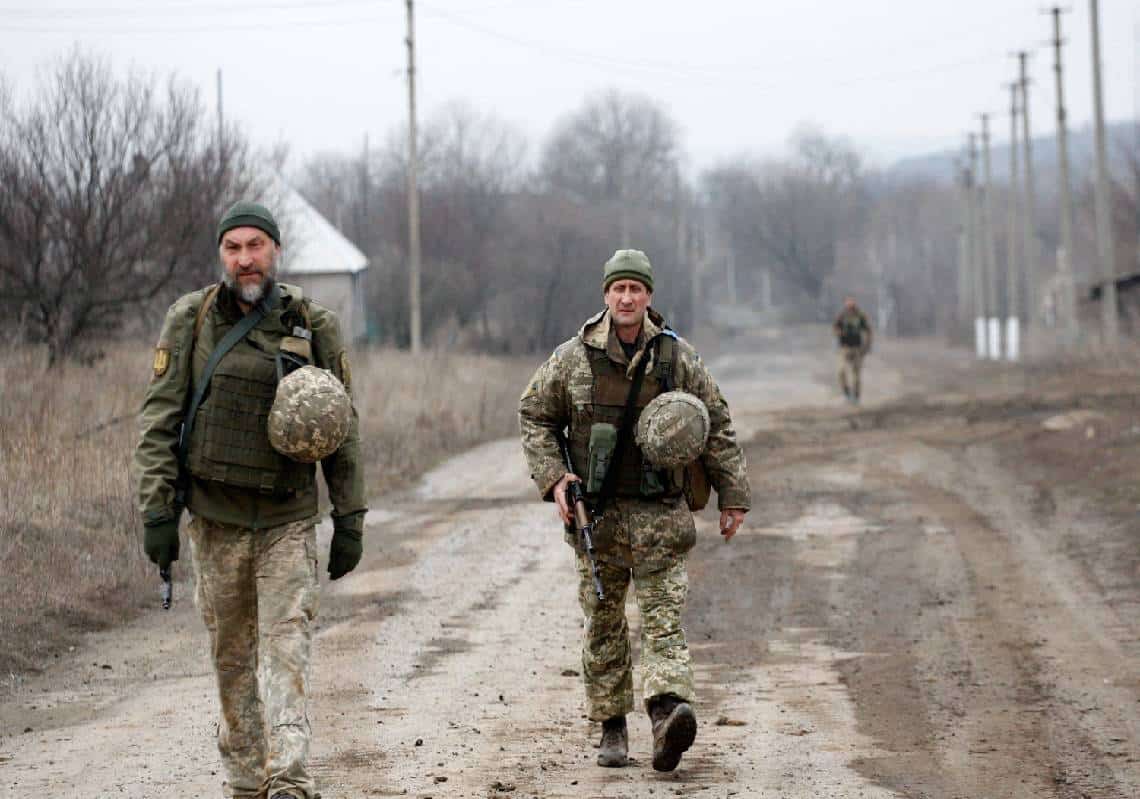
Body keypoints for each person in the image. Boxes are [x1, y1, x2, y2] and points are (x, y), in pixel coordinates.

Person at [133, 201, 367, 799]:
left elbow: (342, 425)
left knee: (285, 653)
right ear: (221, 253)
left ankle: (289, 780)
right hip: (214, 523)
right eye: (233, 248)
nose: (244, 259)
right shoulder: (191, 319)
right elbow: (160, 420)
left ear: (276, 251)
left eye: (255, 246)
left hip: (287, 522)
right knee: (232, 658)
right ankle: (245, 779)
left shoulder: (313, 324)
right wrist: (157, 511)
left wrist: (350, 517)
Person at [518, 249, 751, 773]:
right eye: (618, 289)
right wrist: (555, 477)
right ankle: (611, 726)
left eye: (636, 289)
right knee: (603, 623)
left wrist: (733, 494)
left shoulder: (676, 358)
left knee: (664, 622)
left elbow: (716, 422)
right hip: (595, 521)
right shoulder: (573, 359)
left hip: (661, 519)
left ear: (649, 296)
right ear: (606, 295)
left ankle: (667, 713)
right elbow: (534, 414)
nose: (627, 298)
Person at [833, 295, 872, 404]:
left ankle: (856, 397)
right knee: (841, 371)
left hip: (857, 348)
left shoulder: (860, 316)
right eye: (848, 302)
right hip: (844, 348)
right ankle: (847, 392)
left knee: (856, 374)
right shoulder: (842, 315)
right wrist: (840, 333)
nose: (849, 304)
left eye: (851, 302)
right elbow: (835, 328)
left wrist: (867, 346)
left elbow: (868, 330)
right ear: (845, 303)